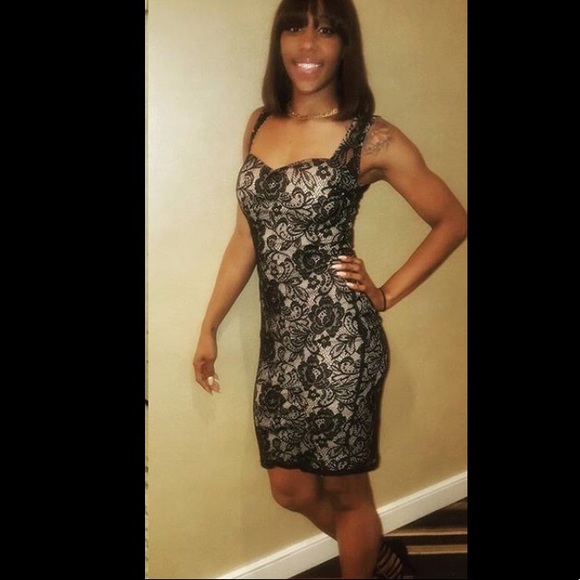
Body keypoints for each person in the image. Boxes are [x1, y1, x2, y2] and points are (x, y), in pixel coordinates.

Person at [193, 0, 467, 578]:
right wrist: (209, 325)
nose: (308, 44)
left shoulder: (371, 137)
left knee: (347, 492)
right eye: (295, 27)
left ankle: (364, 566)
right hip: (280, 345)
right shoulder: (259, 123)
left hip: (343, 341)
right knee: (289, 488)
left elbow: (451, 220)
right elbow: (246, 236)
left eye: (326, 31)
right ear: (280, 41)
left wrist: (385, 292)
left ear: (346, 46)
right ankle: (379, 558)